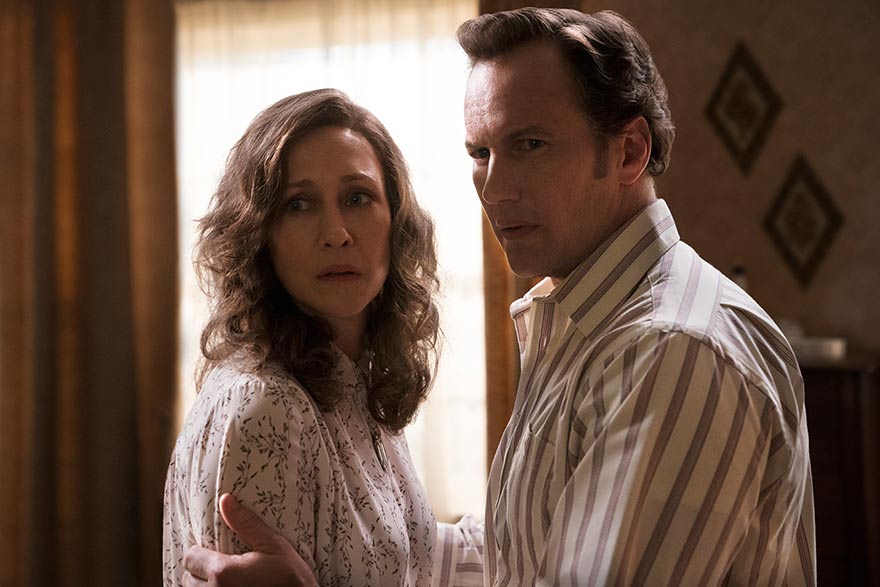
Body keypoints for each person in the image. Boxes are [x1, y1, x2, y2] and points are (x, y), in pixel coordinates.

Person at [182, 8, 817, 586]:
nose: (494, 187)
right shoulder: (584, 320)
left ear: (629, 152)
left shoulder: (669, 350)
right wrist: (374, 545)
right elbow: (518, 554)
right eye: (481, 152)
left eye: (529, 145)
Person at [163, 88, 485, 587]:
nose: (335, 233)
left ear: (395, 221)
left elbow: (407, 555)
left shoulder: (351, 376)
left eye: (357, 198)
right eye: (299, 205)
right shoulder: (266, 407)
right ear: (259, 235)